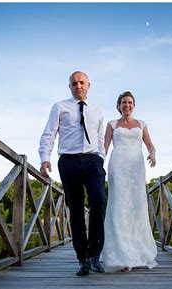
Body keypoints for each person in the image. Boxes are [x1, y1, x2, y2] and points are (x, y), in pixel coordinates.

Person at [39, 71, 106, 276]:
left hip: (93, 160)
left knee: (99, 200)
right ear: (70, 87)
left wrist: (101, 158)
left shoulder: (97, 110)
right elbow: (48, 134)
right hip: (68, 161)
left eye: (82, 82)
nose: (78, 86)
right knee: (75, 210)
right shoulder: (59, 107)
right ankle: (82, 259)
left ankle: (95, 254)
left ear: (89, 85)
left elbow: (101, 138)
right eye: (74, 83)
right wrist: (45, 158)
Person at [100, 91, 158, 273]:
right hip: (118, 164)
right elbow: (105, 147)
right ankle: (121, 255)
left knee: (136, 205)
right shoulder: (112, 124)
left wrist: (152, 154)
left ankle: (138, 252)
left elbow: (150, 144)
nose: (127, 105)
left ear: (134, 105)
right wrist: (98, 165)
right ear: (119, 106)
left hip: (136, 165)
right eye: (124, 102)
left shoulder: (141, 124)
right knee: (119, 204)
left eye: (130, 102)